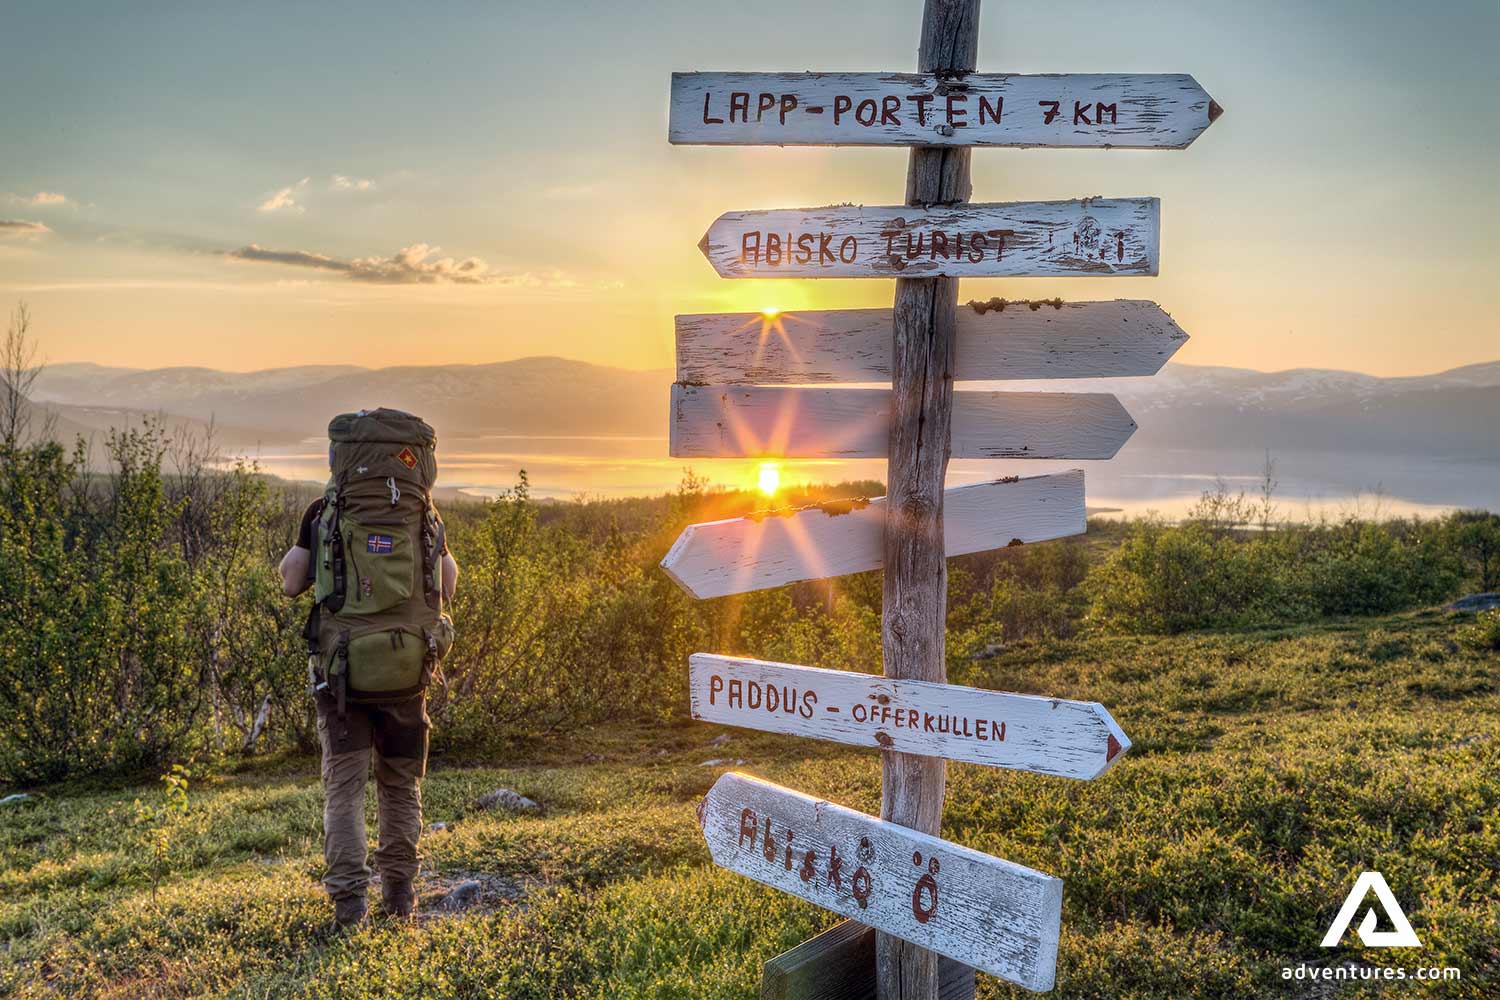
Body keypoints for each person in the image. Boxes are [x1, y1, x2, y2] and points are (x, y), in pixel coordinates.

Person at [278, 410, 458, 929]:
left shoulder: (323, 511)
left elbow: (292, 583)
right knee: (400, 786)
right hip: (407, 674)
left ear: (341, 458)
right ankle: (400, 898)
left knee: (345, 789)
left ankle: (349, 906)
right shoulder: (426, 515)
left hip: (342, 678)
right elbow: (447, 585)